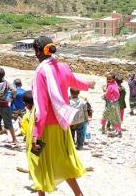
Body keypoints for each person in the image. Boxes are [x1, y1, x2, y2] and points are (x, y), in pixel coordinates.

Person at [28, 36, 95, 196]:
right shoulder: (63, 67)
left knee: (39, 161)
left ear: (37, 52)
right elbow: (76, 83)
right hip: (61, 123)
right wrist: (88, 85)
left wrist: (36, 133)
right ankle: (78, 194)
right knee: (64, 160)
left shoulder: (41, 72)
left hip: (44, 127)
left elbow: (42, 108)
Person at [101, 72, 122, 137]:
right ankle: (118, 130)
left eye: (109, 79)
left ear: (113, 79)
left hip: (111, 104)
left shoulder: (110, 86)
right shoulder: (115, 84)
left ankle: (104, 128)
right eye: (107, 79)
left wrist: (104, 90)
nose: (108, 80)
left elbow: (106, 95)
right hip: (116, 103)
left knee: (107, 116)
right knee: (115, 116)